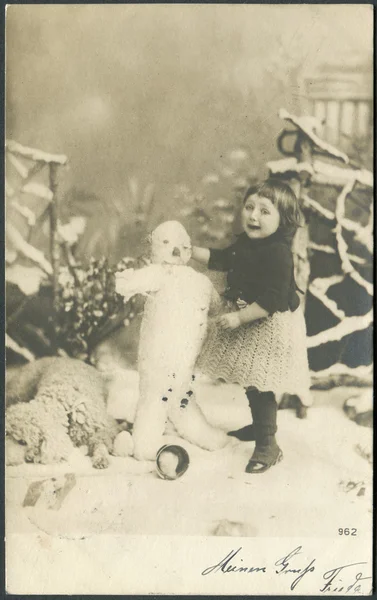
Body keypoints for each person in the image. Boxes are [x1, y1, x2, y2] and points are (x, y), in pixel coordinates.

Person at [191, 179, 311, 474]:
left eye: (264, 211)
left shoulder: (278, 252)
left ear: (282, 220)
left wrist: (238, 318)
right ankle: (261, 427)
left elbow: (272, 299)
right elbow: (221, 258)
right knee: (250, 377)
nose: (253, 216)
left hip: (270, 324)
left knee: (262, 383)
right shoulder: (247, 242)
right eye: (249, 207)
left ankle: (268, 444)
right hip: (251, 318)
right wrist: (189, 251)